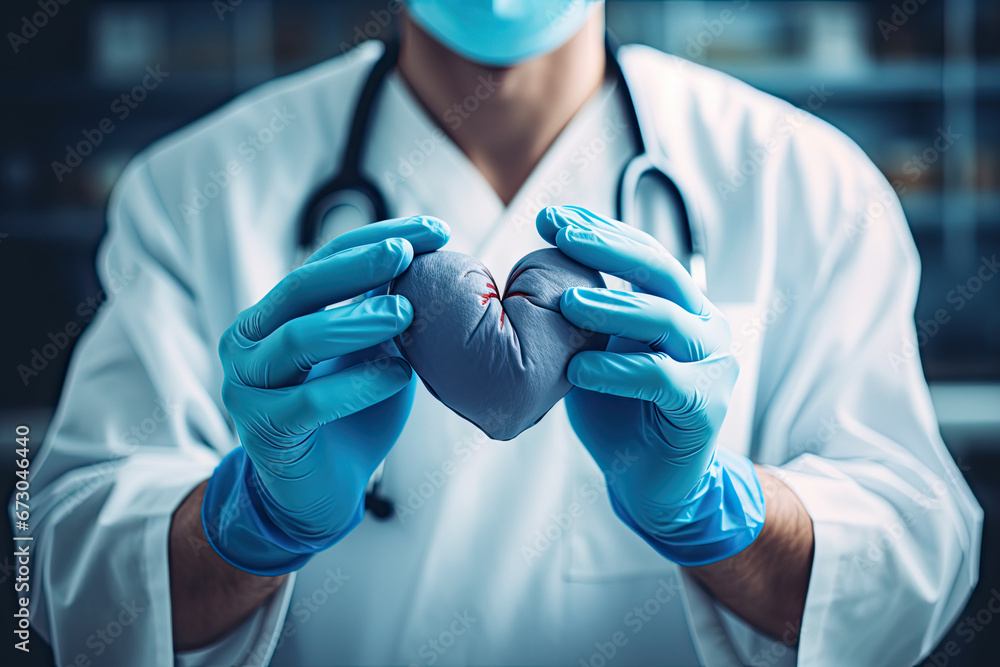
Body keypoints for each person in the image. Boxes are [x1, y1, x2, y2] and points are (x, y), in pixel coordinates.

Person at [21, 1, 982, 665]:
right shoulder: (196, 189)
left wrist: (716, 511)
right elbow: (65, 578)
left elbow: (912, 563)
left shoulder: (807, 182)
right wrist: (253, 522)